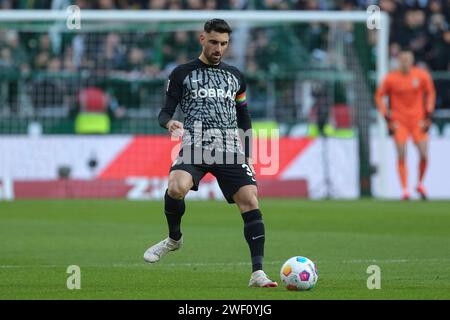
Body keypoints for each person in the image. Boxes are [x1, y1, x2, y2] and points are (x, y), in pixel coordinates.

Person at [143, 19, 278, 288]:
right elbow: (165, 111)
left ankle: (258, 273)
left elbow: (245, 117)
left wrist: (248, 152)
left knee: (250, 200)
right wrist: (169, 123)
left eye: (224, 44)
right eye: (214, 42)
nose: (219, 48)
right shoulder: (181, 73)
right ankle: (174, 239)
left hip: (228, 147)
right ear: (202, 39)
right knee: (176, 187)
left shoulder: (235, 76)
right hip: (195, 145)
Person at [375, 49, 436, 200]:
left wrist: (429, 113)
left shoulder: (421, 75)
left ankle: (420, 184)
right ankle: (405, 190)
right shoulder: (391, 78)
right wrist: (386, 116)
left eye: (408, 59)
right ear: (398, 61)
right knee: (402, 153)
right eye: (402, 59)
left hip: (417, 120)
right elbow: (379, 96)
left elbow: (431, 93)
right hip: (399, 121)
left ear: (412, 60)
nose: (405, 62)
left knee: (423, 154)